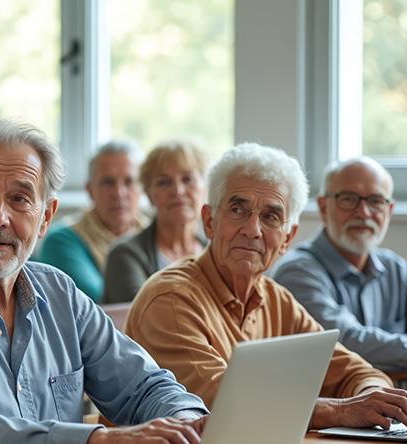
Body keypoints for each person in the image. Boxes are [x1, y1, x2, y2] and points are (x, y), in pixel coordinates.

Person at [0, 120, 209, 444]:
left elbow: (143, 385)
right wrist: (94, 439)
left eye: (19, 199)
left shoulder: (60, 293)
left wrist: (189, 421)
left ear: (45, 217)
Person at [126, 143, 407, 432]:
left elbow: (354, 371)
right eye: (238, 210)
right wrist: (342, 410)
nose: (253, 230)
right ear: (209, 221)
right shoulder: (171, 298)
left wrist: (373, 397)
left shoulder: (276, 299)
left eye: (270, 216)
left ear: (288, 238)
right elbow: (224, 402)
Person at [272, 157, 407, 372]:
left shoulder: (396, 270)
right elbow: (344, 342)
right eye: (348, 199)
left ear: (389, 210)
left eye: (375, 201)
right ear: (323, 207)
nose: (363, 213)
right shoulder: (297, 272)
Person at [36, 141, 145, 301]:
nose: (119, 193)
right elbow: (101, 305)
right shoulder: (61, 241)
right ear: (90, 190)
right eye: (108, 182)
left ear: (142, 188)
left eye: (129, 182)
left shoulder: (157, 232)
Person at [103, 141, 208, 304]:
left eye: (188, 179)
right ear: (149, 194)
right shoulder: (124, 255)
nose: (178, 191)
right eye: (164, 182)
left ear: (204, 188)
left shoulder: (218, 251)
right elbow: (146, 316)